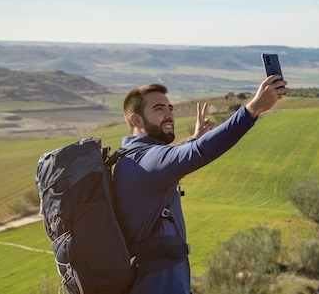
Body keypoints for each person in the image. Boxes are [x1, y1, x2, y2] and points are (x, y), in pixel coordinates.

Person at [114, 74, 289, 294]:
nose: (169, 115)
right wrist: (252, 109)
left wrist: (193, 139)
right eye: (158, 109)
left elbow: (174, 161)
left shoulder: (130, 159)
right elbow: (199, 153)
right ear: (136, 120)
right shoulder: (146, 160)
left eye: (170, 108)